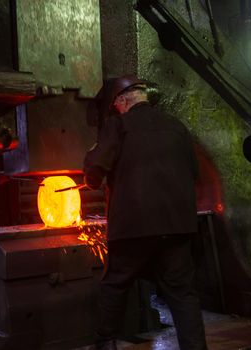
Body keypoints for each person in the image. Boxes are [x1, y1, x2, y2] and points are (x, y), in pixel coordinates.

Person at [83, 74, 207, 350]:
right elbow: (194, 175)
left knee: (115, 285)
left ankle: (105, 344)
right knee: (183, 295)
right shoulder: (177, 127)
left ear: (123, 101)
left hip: (133, 226)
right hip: (177, 226)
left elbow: (93, 175)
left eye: (117, 106)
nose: (117, 110)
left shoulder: (119, 125)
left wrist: (92, 155)